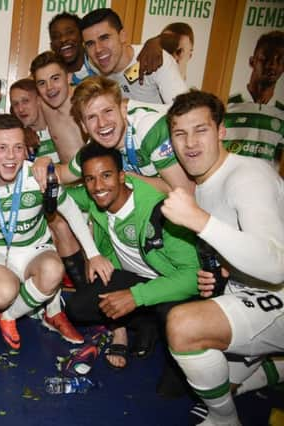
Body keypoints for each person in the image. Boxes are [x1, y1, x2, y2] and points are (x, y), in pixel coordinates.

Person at [160, 90, 284, 426]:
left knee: (184, 326)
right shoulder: (205, 182)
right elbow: (243, 240)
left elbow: (275, 265)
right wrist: (226, 270)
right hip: (250, 292)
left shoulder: (249, 176)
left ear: (221, 131)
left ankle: (225, 422)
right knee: (215, 382)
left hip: (278, 297)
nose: (190, 143)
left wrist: (199, 220)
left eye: (200, 130)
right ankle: (277, 367)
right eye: (180, 133)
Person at [0, 114, 112, 351]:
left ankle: (13, 314)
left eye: (17, 148)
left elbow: (70, 210)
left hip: (35, 250)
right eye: (2, 148)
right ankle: (36, 302)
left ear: (26, 150)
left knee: (53, 270)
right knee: (1, 294)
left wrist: (93, 254)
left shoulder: (37, 175)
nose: (11, 156)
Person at [64, 142, 199, 370]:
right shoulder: (96, 198)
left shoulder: (162, 212)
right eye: (90, 179)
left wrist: (136, 296)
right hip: (133, 278)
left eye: (106, 175)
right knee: (77, 308)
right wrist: (43, 165)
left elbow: (193, 277)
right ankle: (144, 322)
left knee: (172, 385)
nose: (98, 186)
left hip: (172, 286)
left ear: (121, 176)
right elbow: (57, 193)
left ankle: (159, 326)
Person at [37, 75, 192, 195]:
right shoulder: (96, 144)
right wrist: (44, 162)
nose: (102, 123)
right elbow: (63, 174)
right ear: (83, 126)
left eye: (108, 111)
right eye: (92, 117)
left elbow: (185, 192)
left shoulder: (149, 128)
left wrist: (128, 178)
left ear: (123, 110)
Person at [9, 78, 86, 288]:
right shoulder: (19, 139)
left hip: (78, 197)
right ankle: (76, 286)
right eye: (15, 104)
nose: (20, 108)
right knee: (56, 222)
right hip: (47, 207)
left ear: (39, 100)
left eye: (25, 101)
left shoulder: (60, 127)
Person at [80, 8, 187, 104]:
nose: (98, 49)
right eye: (90, 44)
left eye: (104, 38)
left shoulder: (154, 59)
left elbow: (184, 111)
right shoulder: (92, 65)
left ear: (122, 36)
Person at [48, 12, 165, 87]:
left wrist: (157, 41)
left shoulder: (99, 63)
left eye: (70, 32)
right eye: (56, 36)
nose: (63, 39)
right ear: (51, 45)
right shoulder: (52, 75)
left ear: (81, 37)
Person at [223, 31, 284, 172]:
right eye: (265, 59)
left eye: (279, 60)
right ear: (252, 61)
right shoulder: (226, 105)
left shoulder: (281, 113)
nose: (272, 66)